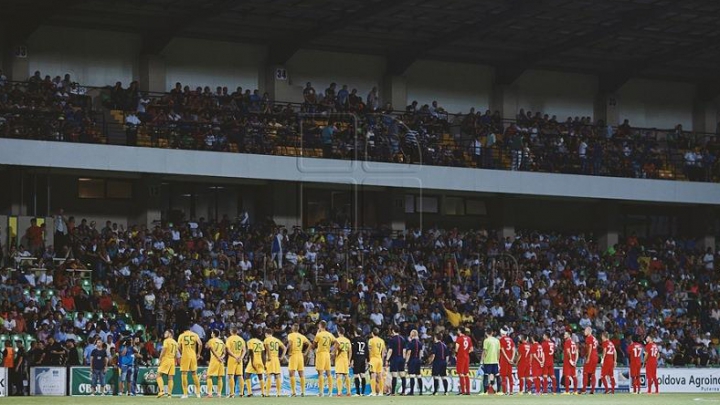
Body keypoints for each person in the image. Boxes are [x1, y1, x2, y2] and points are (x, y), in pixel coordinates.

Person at [285, 323, 310, 397]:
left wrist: (289, 352)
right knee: (301, 373)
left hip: (294, 355)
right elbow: (310, 344)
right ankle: (303, 392)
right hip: (300, 355)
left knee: (291, 374)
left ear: (292, 328)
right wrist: (305, 353)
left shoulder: (290, 335)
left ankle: (293, 392)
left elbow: (290, 343)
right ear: (298, 329)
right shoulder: (302, 336)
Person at [177, 328, 202, 399]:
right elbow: (200, 344)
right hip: (193, 355)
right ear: (190, 329)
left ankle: (185, 394)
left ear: (183, 330)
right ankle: (198, 393)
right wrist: (199, 353)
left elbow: (178, 347)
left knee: (184, 374)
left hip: (185, 355)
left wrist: (182, 353)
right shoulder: (195, 335)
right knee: (194, 373)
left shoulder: (181, 336)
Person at [313, 320, 335, 397]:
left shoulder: (319, 335)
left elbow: (313, 345)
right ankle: (330, 392)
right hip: (327, 354)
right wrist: (333, 351)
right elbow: (337, 343)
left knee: (320, 373)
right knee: (329, 374)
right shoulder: (330, 334)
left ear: (320, 325)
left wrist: (317, 333)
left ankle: (321, 392)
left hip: (321, 354)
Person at [263, 328, 286, 397]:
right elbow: (285, 348)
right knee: (277, 375)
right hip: (276, 359)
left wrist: (269, 356)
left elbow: (267, 348)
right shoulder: (276, 340)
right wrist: (282, 357)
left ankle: (267, 393)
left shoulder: (266, 340)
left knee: (269, 376)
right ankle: (278, 393)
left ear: (266, 333)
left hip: (269, 359)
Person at [225, 328, 247, 398]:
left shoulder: (229, 339)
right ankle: (241, 393)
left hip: (232, 359)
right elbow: (244, 350)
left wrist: (235, 357)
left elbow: (228, 350)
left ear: (231, 331)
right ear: (237, 332)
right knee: (240, 376)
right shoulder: (241, 339)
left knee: (231, 375)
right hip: (239, 360)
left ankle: (232, 394)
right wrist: (241, 357)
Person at [156, 330, 178, 398]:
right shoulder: (175, 342)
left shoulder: (166, 341)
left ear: (170, 334)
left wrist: (159, 359)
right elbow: (176, 353)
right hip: (172, 360)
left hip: (166, 359)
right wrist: (175, 361)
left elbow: (164, 349)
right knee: (170, 378)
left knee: (158, 375)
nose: (164, 334)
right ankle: (169, 394)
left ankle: (162, 391)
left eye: (166, 333)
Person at [386, 325, 406, 395]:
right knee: (402, 375)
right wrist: (404, 359)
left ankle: (393, 392)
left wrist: (387, 359)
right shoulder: (403, 339)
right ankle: (403, 391)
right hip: (401, 358)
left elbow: (390, 351)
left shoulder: (392, 339)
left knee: (394, 375)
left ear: (393, 330)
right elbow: (404, 350)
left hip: (394, 358)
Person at [205, 329, 226, 398]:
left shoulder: (211, 340)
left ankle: (210, 394)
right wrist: (221, 358)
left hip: (214, 360)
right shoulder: (222, 342)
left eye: (212, 333)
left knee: (209, 376)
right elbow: (224, 352)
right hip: (221, 361)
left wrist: (218, 357)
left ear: (213, 334)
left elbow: (210, 348)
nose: (211, 334)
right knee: (219, 377)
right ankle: (219, 394)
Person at [333, 327, 352, 397]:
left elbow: (335, 350)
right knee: (346, 375)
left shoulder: (337, 340)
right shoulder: (347, 340)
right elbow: (350, 351)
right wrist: (349, 360)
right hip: (345, 359)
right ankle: (349, 392)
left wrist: (333, 356)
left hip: (339, 359)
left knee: (338, 375)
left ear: (338, 332)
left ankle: (339, 392)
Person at [481, 328, 500, 395]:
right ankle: (498, 391)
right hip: (495, 361)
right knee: (497, 375)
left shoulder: (486, 340)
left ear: (486, 333)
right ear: (492, 333)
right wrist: (498, 360)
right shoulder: (497, 340)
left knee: (486, 375)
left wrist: (482, 360)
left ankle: (485, 392)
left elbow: (485, 351)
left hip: (488, 361)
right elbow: (498, 352)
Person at [367, 328, 386, 396]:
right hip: (379, 359)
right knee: (380, 376)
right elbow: (383, 351)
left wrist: (369, 360)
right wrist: (382, 359)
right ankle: (381, 392)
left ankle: (373, 392)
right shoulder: (382, 341)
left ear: (372, 333)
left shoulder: (371, 340)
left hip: (373, 359)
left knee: (373, 375)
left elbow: (369, 350)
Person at [404, 329, 423, 396]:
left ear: (412, 335)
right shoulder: (420, 343)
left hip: (412, 360)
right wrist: (419, 360)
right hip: (418, 360)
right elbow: (420, 353)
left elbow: (409, 353)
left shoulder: (411, 343)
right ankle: (421, 391)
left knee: (412, 375)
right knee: (418, 375)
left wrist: (406, 362)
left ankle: (412, 392)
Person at [454, 327, 472, 395]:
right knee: (466, 374)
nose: (457, 331)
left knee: (460, 374)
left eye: (458, 330)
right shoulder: (468, 338)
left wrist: (457, 353)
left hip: (461, 357)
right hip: (467, 357)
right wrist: (466, 352)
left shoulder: (459, 338)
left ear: (460, 331)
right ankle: (468, 391)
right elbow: (471, 349)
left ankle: (463, 391)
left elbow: (456, 348)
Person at [351, 329, 368, 396]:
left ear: (355, 332)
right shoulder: (364, 340)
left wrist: (352, 360)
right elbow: (366, 351)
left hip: (356, 358)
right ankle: (363, 392)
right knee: (363, 375)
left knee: (356, 375)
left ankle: (358, 392)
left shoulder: (354, 340)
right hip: (363, 358)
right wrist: (367, 359)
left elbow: (353, 350)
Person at [581, 327, 599, 394]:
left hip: (591, 356)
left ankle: (584, 390)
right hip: (596, 356)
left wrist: (588, 357)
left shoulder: (588, 338)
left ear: (589, 331)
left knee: (585, 373)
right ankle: (592, 390)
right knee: (593, 374)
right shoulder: (594, 338)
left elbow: (590, 347)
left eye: (585, 330)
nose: (584, 332)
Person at [498, 327, 516, 395]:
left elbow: (502, 350)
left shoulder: (501, 339)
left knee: (503, 376)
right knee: (510, 376)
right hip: (510, 360)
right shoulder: (511, 340)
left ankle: (504, 391)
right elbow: (514, 349)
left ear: (502, 333)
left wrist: (508, 359)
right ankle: (511, 391)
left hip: (504, 360)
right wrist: (512, 358)